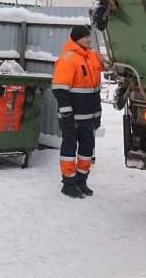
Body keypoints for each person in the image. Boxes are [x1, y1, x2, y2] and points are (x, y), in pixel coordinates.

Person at [52, 25, 106, 198]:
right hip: (73, 117)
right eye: (85, 37)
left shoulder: (92, 57)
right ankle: (68, 183)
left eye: (89, 36)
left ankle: (81, 181)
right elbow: (60, 90)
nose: (89, 39)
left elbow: (109, 64)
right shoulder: (68, 59)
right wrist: (67, 115)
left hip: (90, 116)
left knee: (87, 150)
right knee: (69, 150)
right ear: (76, 39)